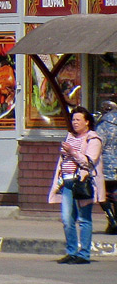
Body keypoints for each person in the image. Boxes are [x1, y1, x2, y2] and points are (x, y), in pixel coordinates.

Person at [50, 105, 106, 264]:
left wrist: (72, 152)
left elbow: (89, 161)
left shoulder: (93, 139)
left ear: (87, 122)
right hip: (67, 183)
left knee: (83, 219)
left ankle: (84, 254)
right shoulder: (70, 137)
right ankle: (71, 252)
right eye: (73, 119)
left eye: (78, 120)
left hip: (82, 183)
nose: (75, 122)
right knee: (67, 219)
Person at [95, 100, 117, 233]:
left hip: (106, 165)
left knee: (103, 194)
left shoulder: (103, 125)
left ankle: (112, 220)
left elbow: (98, 144)